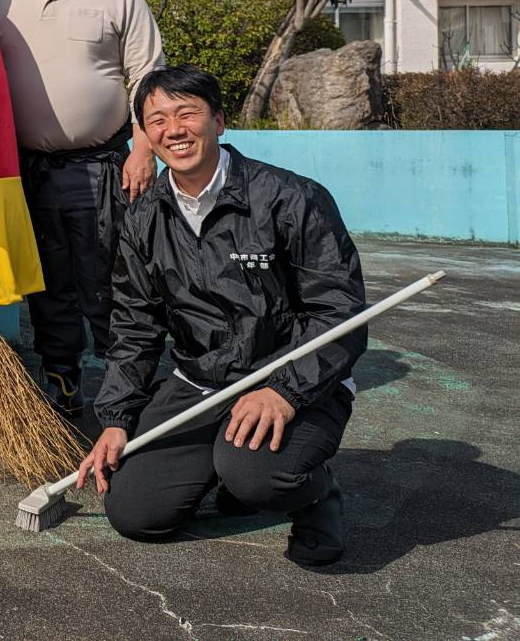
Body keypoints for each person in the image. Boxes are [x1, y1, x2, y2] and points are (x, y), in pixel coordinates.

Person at [78, 66, 367, 566]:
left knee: (260, 477)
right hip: (201, 383)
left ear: (219, 122)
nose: (174, 129)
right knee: (136, 513)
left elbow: (338, 312)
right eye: (157, 120)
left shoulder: (291, 198)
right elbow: (134, 328)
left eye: (187, 113)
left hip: (291, 378)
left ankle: (315, 493)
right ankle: (226, 467)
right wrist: (117, 418)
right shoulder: (144, 219)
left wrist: (286, 390)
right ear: (144, 135)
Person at [0, 0, 164, 414]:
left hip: (105, 168)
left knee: (111, 281)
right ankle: (62, 380)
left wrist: (143, 147)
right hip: (30, 173)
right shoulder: (1, 3)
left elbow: (148, 77)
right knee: (47, 285)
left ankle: (125, 389)